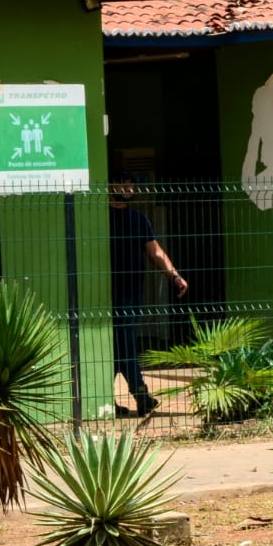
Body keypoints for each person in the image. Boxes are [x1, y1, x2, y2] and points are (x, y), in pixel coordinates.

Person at [108, 172, 188, 418]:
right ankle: (140, 394)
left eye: (130, 184)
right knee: (122, 343)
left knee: (121, 344)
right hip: (107, 293)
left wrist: (174, 276)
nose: (128, 189)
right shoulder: (101, 219)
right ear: (111, 186)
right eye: (123, 184)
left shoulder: (138, 219)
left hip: (131, 292)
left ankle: (126, 397)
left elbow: (155, 252)